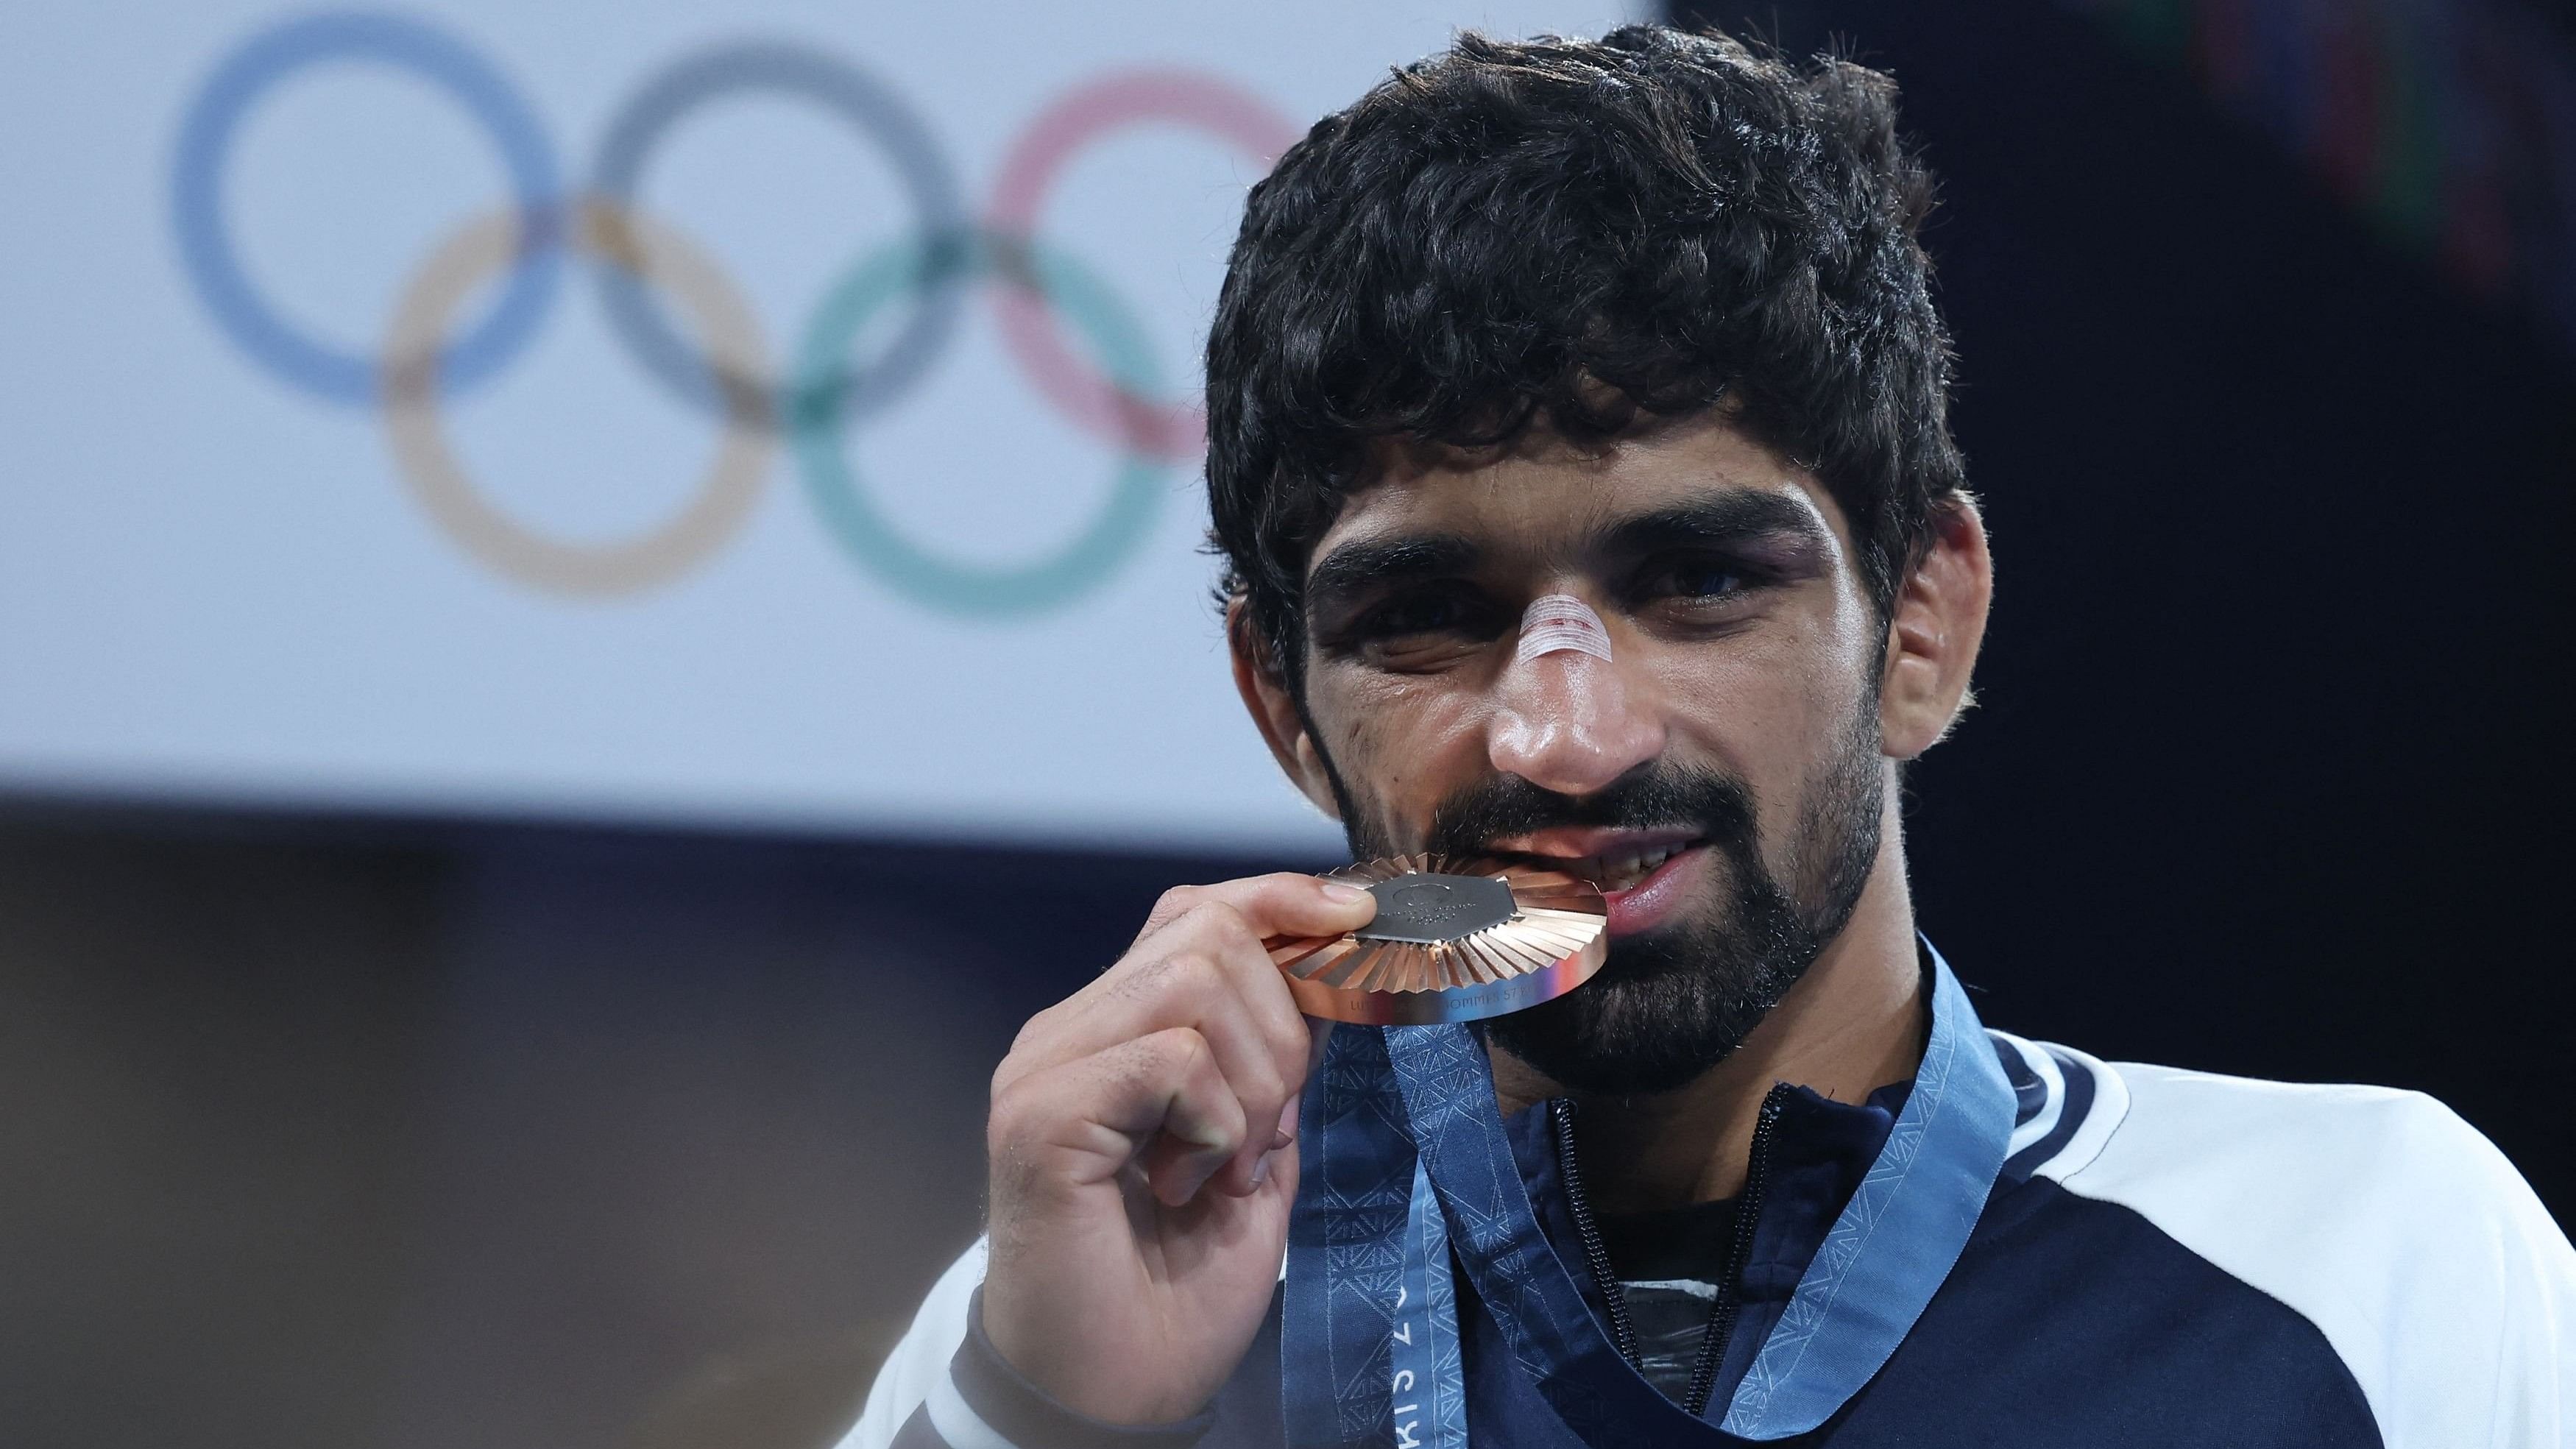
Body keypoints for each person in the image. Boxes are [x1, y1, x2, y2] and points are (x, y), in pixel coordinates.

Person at [843, 25, 2575, 1449]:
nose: (1564, 736)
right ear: (1281, 703)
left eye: (1693, 580)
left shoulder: (2367, 1262)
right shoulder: (1082, 1326)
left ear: (1919, 624)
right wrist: (1038, 1423)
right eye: (1425, 617)